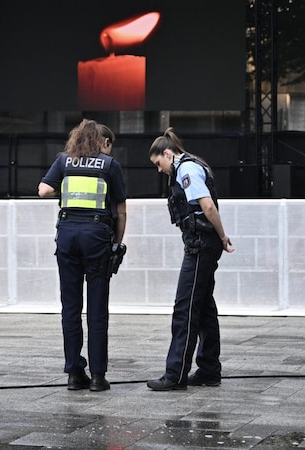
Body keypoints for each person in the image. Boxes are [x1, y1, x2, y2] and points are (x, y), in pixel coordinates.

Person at [37, 119, 127, 392]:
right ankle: (98, 376)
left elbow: (43, 190)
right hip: (97, 237)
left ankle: (75, 373)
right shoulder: (109, 165)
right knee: (97, 309)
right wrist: (117, 243)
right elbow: (121, 211)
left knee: (71, 308)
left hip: (67, 236)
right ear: (104, 141)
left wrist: (64, 190)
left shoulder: (64, 161)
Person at [146, 127, 234, 391]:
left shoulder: (186, 170)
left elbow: (207, 207)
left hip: (201, 245)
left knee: (184, 308)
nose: (159, 170)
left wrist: (222, 237)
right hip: (202, 244)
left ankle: (175, 375)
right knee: (204, 306)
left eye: (159, 163)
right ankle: (208, 370)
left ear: (168, 153)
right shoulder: (190, 167)